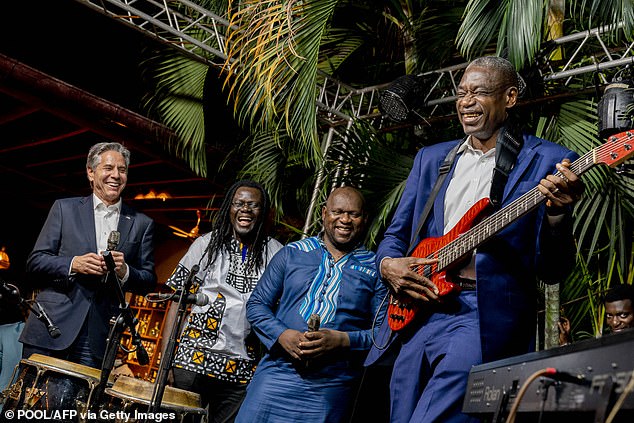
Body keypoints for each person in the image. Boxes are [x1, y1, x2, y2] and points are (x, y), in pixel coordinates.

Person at [365, 56, 584, 423]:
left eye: (479, 92)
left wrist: (558, 214)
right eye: (461, 92)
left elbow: (553, 268)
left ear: (509, 98)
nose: (466, 101)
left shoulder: (550, 159)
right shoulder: (432, 158)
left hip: (482, 310)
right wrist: (388, 264)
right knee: (402, 413)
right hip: (420, 307)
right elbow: (396, 234)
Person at [235, 186, 388, 423]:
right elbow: (257, 305)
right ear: (324, 213)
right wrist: (283, 334)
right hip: (276, 374)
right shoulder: (292, 253)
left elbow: (383, 335)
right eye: (337, 211)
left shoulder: (375, 268)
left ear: (365, 219)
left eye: (353, 214)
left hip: (332, 386)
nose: (345, 220)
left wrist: (341, 340)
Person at [19, 141, 157, 368]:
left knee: (80, 403)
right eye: (109, 168)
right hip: (51, 326)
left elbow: (148, 281)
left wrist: (125, 272)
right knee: (31, 401)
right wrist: (74, 264)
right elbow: (35, 261)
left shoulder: (142, 223)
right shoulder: (64, 209)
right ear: (91, 173)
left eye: (122, 170)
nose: (116, 175)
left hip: (98, 336)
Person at [163, 180, 283, 423]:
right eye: (239, 203)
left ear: (263, 211)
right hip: (191, 361)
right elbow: (177, 300)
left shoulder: (277, 253)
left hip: (241, 370)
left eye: (253, 205)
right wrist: (167, 360)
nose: (245, 210)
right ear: (229, 207)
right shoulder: (206, 244)